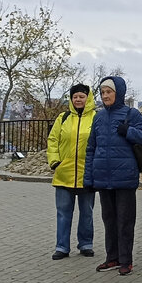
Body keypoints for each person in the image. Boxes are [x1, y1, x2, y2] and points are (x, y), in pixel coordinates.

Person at [84, 75, 142, 276]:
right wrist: (88, 178)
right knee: (109, 221)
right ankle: (112, 258)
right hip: (103, 178)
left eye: (109, 92)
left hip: (125, 179)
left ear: (118, 93)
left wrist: (129, 131)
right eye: (102, 92)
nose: (105, 95)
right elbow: (91, 149)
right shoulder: (98, 117)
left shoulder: (131, 114)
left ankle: (126, 260)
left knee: (125, 222)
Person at [46, 84, 97, 260]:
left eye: (81, 96)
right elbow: (53, 140)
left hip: (87, 174)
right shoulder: (63, 118)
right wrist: (55, 162)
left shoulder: (96, 118)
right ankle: (62, 247)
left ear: (88, 98)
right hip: (64, 173)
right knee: (63, 213)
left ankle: (86, 244)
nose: (78, 99)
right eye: (75, 97)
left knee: (87, 213)